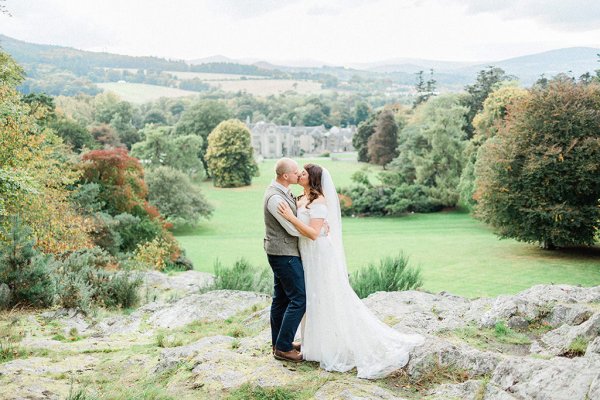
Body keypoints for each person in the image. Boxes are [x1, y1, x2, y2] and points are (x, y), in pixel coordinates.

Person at [278, 163, 424, 379]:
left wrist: (290, 218)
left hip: (318, 254)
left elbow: (313, 233)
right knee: (311, 297)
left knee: (323, 295)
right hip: (307, 255)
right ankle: (313, 343)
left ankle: (326, 345)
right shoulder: (300, 198)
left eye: (304, 173)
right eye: (300, 172)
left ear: (314, 179)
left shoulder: (319, 201)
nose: (300, 174)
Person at [263, 158, 305, 362]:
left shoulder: (283, 193)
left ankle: (279, 342)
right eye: (296, 172)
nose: (299, 174)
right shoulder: (275, 198)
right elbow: (290, 229)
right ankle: (283, 347)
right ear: (286, 176)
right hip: (283, 253)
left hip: (282, 252)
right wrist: (315, 233)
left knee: (280, 299)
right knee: (299, 298)